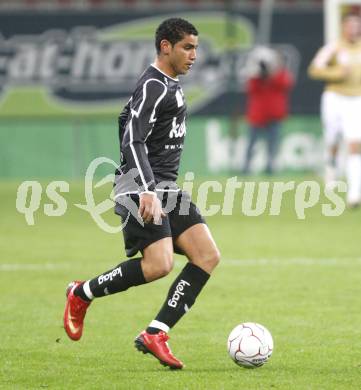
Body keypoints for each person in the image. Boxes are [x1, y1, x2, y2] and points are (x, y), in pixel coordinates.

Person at [63, 18, 220, 370]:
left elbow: (127, 120)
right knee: (159, 265)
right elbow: (131, 138)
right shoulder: (154, 85)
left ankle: (156, 332)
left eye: (196, 47)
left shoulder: (169, 83)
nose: (194, 55)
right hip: (140, 186)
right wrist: (146, 190)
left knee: (207, 255)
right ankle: (80, 293)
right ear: (165, 46)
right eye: (187, 47)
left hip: (165, 186)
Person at [308, 13, 361, 208]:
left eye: (357, 25)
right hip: (335, 97)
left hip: (357, 99)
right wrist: (336, 73)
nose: (354, 29)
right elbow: (314, 69)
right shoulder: (333, 48)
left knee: (355, 144)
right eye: (350, 25)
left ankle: (354, 193)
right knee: (333, 138)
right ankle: (331, 169)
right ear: (343, 27)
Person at [242, 46, 294, 175]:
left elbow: (286, 84)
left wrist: (271, 75)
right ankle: (246, 167)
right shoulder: (255, 74)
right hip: (258, 114)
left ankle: (270, 167)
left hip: (274, 114)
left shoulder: (280, 73)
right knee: (252, 143)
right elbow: (250, 88)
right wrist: (260, 75)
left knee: (273, 143)